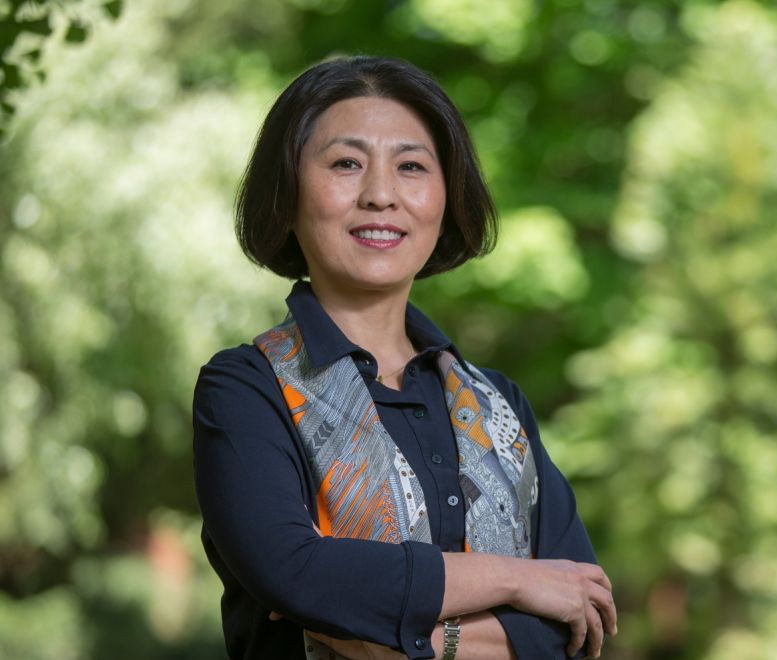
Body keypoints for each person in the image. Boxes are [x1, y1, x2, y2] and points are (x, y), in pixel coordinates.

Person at [192, 56, 616, 660]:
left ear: (446, 198)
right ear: (287, 193)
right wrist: (520, 580)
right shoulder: (245, 389)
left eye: (412, 166)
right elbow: (294, 572)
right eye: (346, 163)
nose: (381, 195)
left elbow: (579, 615)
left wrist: (381, 630)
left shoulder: (498, 405)